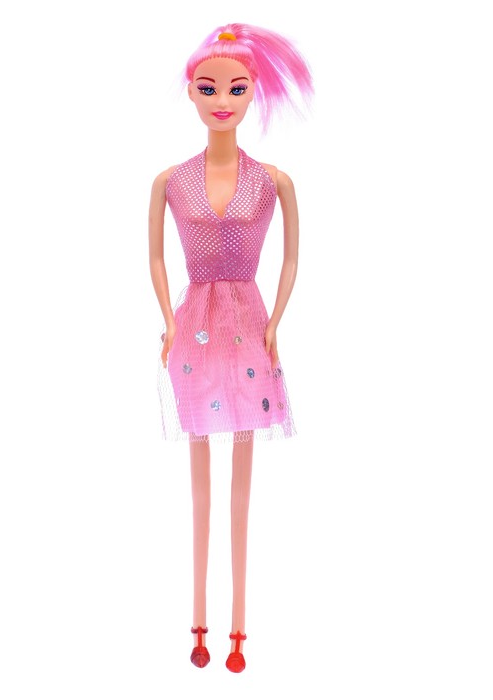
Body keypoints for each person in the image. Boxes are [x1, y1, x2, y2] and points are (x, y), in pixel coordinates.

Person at [148, 23, 313, 673]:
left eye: (237, 88)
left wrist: (278, 322)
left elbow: (293, 257)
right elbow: (155, 258)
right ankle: (198, 622)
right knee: (199, 486)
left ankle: (238, 629)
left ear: (254, 93)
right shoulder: (170, 181)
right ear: (190, 90)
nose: (223, 100)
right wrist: (167, 319)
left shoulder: (274, 180)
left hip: (249, 324)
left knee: (241, 483)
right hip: (193, 327)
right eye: (209, 87)